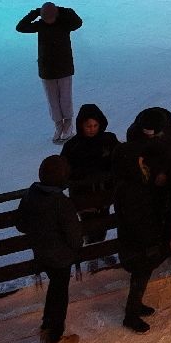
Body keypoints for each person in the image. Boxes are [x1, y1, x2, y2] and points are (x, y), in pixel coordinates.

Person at [15, 156, 83, 343]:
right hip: (60, 257)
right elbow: (74, 234)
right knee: (59, 294)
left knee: (55, 290)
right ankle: (56, 339)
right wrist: (75, 248)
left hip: (42, 254)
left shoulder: (30, 195)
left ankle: (48, 326)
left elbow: (20, 224)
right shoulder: (61, 203)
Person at [112, 143, 169, 334]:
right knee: (140, 276)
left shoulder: (132, 183)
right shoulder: (130, 188)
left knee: (141, 277)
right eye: (140, 160)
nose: (143, 162)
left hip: (137, 243)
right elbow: (136, 219)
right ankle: (131, 314)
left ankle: (135, 306)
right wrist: (150, 238)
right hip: (138, 245)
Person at [17, 2, 83, 141]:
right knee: (52, 100)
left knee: (65, 98)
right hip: (47, 71)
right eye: (45, 18)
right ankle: (59, 125)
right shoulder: (40, 25)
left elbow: (78, 22)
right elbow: (20, 27)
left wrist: (61, 10)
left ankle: (68, 125)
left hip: (64, 69)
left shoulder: (64, 23)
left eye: (50, 18)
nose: (48, 21)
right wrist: (35, 12)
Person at [61, 103, 120, 250]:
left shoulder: (109, 140)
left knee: (102, 223)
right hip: (83, 197)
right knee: (88, 225)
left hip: (104, 195)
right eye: (88, 126)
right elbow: (63, 169)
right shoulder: (72, 146)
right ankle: (92, 251)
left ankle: (99, 250)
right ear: (81, 125)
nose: (92, 129)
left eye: (95, 125)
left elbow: (119, 158)